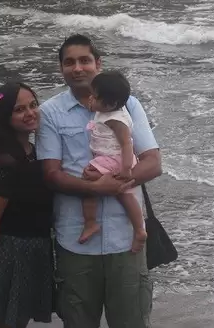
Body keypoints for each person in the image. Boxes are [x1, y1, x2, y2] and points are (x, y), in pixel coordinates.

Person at [38, 34, 161, 328]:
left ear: (98, 64)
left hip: (127, 238)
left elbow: (153, 163)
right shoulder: (50, 113)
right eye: (69, 62)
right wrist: (94, 188)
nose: (77, 68)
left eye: (84, 60)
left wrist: (120, 181)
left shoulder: (128, 104)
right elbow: (51, 174)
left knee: (132, 322)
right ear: (61, 68)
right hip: (76, 240)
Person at [0, 82, 54, 328]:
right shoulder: (3, 162)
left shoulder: (32, 151)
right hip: (10, 254)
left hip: (35, 249)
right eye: (19, 110)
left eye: (33, 105)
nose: (30, 113)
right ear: (5, 117)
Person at [79, 71, 147, 253]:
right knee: (124, 194)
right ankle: (140, 230)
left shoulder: (116, 120)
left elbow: (126, 143)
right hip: (112, 158)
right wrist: (94, 104)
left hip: (114, 158)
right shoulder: (109, 110)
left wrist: (126, 169)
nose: (91, 98)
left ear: (111, 104)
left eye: (95, 97)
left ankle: (91, 222)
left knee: (87, 180)